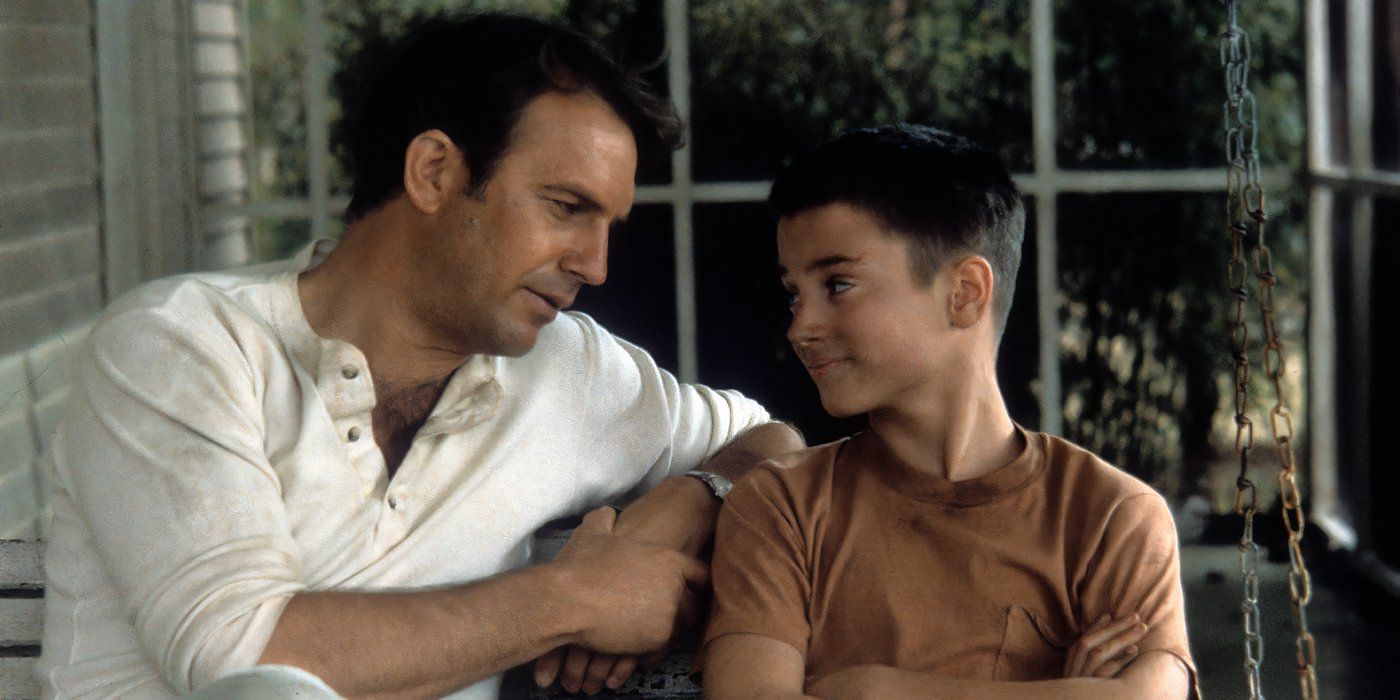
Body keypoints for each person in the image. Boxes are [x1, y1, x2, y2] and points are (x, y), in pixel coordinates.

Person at [36, 13, 803, 699]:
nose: (596, 265)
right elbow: (243, 658)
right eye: (566, 208)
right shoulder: (183, 343)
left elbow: (773, 442)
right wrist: (577, 599)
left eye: (609, 224)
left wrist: (694, 497)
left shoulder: (567, 371)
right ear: (434, 172)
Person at [699, 125, 1198, 699]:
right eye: (794, 293)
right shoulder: (780, 506)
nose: (800, 328)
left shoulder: (1114, 517)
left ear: (964, 293)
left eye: (837, 284)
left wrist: (874, 691)